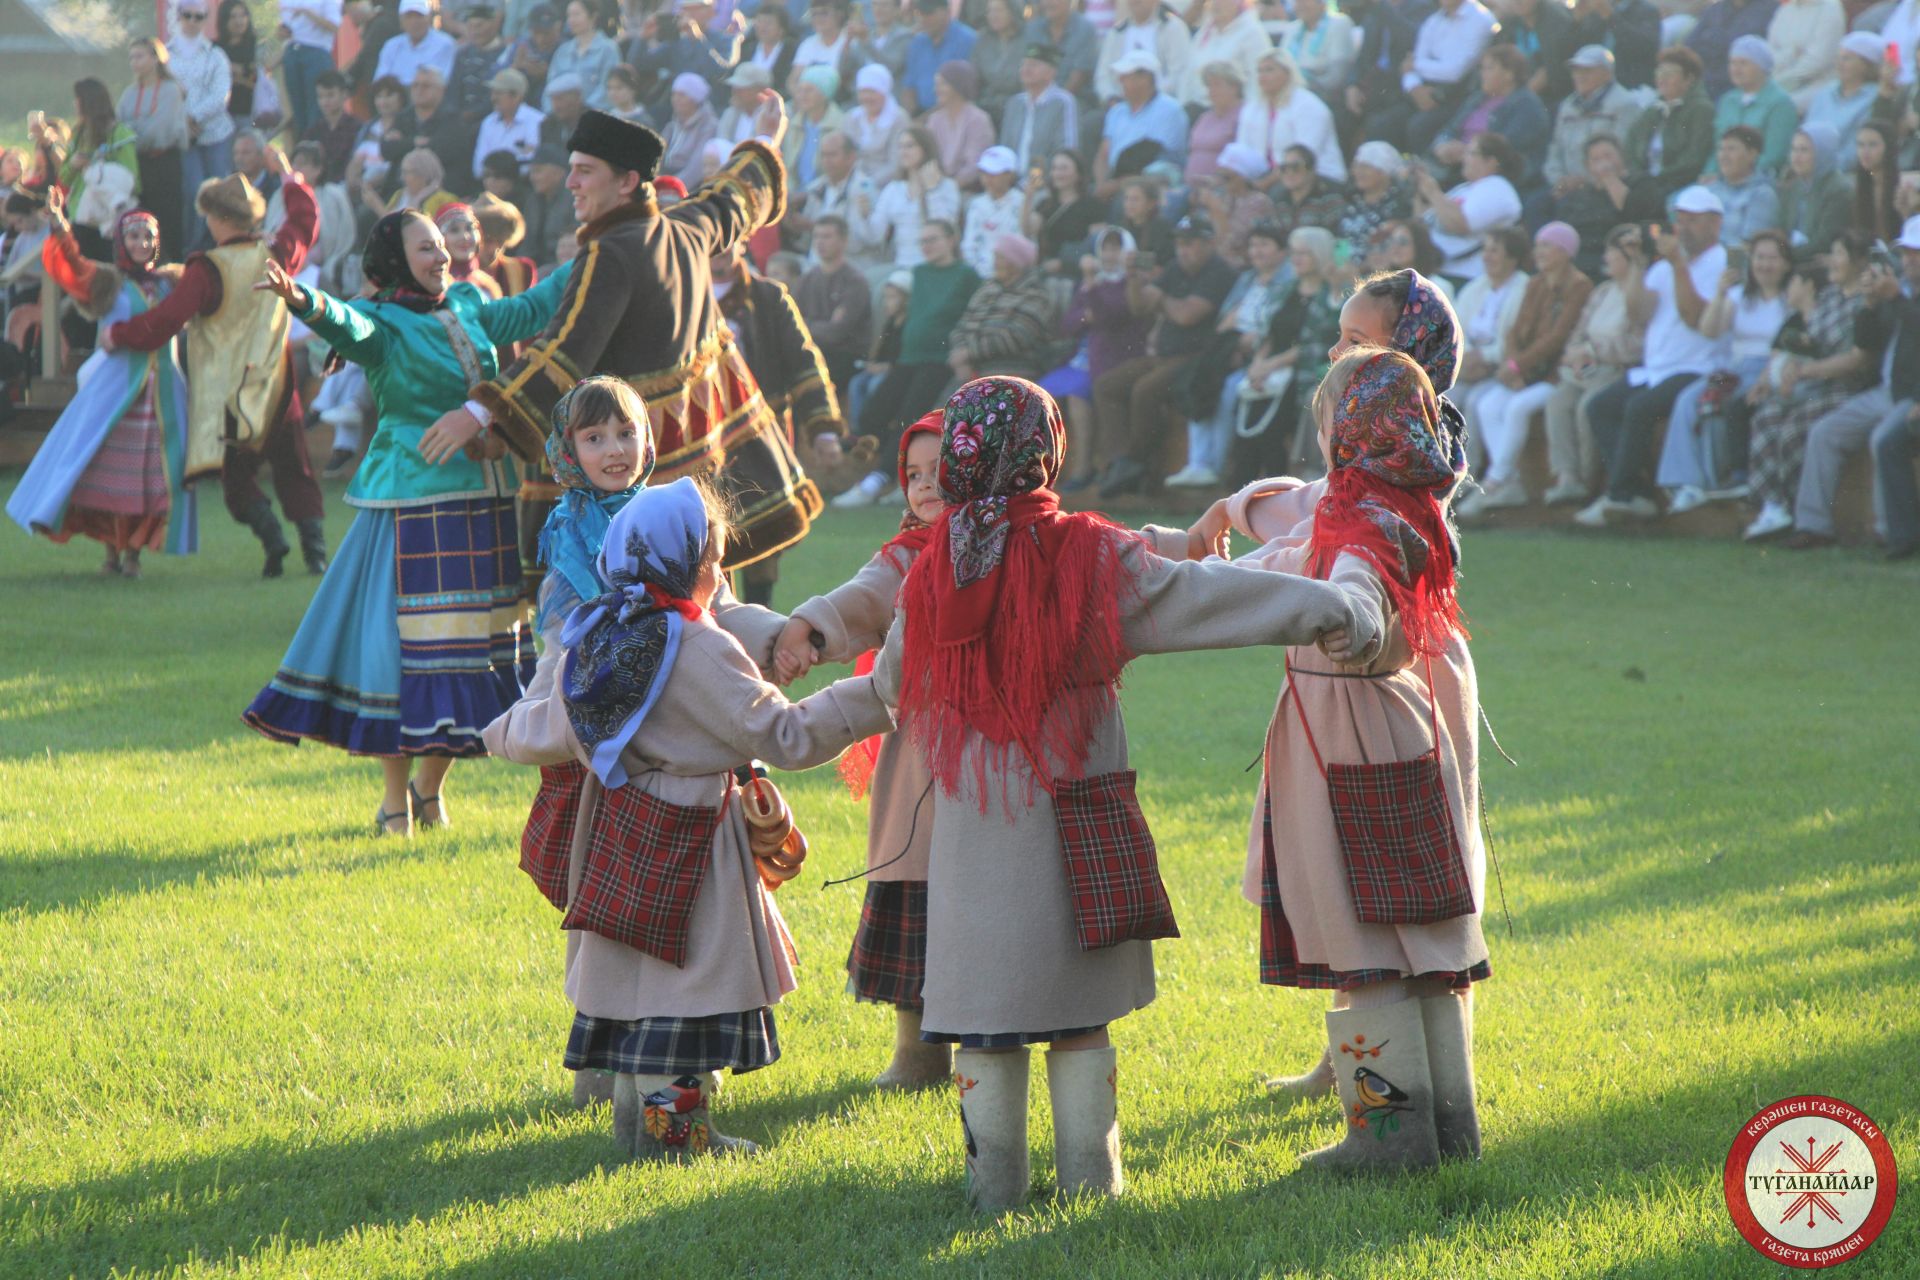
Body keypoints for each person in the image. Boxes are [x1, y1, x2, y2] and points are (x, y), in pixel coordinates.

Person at [869, 374, 1361, 1210]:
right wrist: (1332, 605)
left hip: (974, 833)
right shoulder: (1092, 553)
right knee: (1078, 1015)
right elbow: (1208, 596)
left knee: (985, 1025)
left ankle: (993, 1191)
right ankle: (1095, 1187)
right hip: (1077, 816)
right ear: (1044, 450)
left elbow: (889, 682)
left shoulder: (931, 572)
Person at [484, 474, 894, 1158]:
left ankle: (631, 1122)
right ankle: (676, 1140)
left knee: (635, 980)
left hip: (618, 827)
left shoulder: (599, 629)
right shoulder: (697, 646)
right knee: (683, 988)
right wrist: (875, 695)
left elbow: (551, 727)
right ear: (700, 565)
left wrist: (498, 730)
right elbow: (784, 736)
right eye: (716, 558)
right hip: (693, 835)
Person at [1234, 346, 1485, 1174]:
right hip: (1388, 721)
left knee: (1366, 930)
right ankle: (1449, 1127)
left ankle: (1387, 1141)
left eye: (1330, 417)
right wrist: (1191, 575)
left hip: (1348, 722)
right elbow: (1294, 568)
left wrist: (1345, 616)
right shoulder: (1388, 500)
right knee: (1418, 936)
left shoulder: (1366, 516)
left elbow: (1355, 592)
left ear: (1354, 426)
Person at [243, 208, 575, 828]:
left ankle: (429, 789)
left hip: (485, 498)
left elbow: (533, 309)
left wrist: (598, 254)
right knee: (407, 654)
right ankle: (393, 802)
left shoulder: (472, 301)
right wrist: (304, 300)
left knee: (475, 654)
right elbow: (345, 325)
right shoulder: (384, 321)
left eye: (441, 244)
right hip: (414, 500)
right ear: (398, 261)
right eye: (425, 248)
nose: (441, 255)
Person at [442, 106, 821, 577]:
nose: (571, 183)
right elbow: (734, 198)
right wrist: (764, 141)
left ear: (626, 182)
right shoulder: (684, 227)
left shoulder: (611, 251)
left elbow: (563, 353)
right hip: (698, 464)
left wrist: (480, 412)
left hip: (635, 475)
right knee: (704, 597)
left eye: (584, 172)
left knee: (633, 612)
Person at [770, 414, 952, 1088]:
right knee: (914, 880)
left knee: (987, 893)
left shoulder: (1013, 547)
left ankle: (990, 1043)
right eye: (913, 475)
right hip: (920, 750)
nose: (925, 485)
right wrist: (808, 629)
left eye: (942, 471)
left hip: (1001, 750)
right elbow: (861, 599)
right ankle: (917, 1051)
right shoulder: (905, 556)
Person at [105, 157, 325, 577]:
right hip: (279, 386)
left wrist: (118, 334)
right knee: (296, 469)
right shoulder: (275, 252)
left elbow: (167, 319)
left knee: (237, 480)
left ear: (218, 218)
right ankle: (315, 554)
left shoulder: (206, 269)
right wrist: (292, 179)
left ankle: (272, 537)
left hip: (230, 397)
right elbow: (303, 221)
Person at [7, 197, 195, 574]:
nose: (141, 244)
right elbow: (72, 268)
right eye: (134, 237)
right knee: (109, 473)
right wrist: (61, 229)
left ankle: (134, 555)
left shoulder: (173, 284)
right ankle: (111, 552)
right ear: (121, 242)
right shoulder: (108, 282)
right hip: (115, 395)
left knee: (151, 477)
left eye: (147, 237)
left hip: (161, 395)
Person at [1575, 185, 1729, 526]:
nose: (1684, 227)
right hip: (1658, 368)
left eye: (1693, 220)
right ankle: (1637, 493)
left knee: (1638, 408)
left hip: (1698, 366)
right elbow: (1639, 312)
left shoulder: (1721, 262)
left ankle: (1621, 496)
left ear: (1715, 224)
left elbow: (1694, 318)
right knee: (1600, 406)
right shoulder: (1664, 265)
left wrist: (1676, 264)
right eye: (1680, 220)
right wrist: (1638, 263)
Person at [1782, 216, 1920, 553]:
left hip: (1912, 395)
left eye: (1915, 254)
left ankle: (1890, 532)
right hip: (1887, 391)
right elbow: (1868, 342)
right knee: (1824, 433)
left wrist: (1894, 299)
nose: (1907, 261)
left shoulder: (1902, 296)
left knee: (1881, 438)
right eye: (1905, 254)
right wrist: (1870, 305)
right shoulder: (1901, 291)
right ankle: (1814, 526)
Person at [1092, 213, 1238, 495]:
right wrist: (1134, 279)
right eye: (1180, 243)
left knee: (1145, 391)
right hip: (1162, 356)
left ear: (1208, 243)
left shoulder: (1219, 272)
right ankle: (1119, 463)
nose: (1183, 249)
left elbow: (1186, 315)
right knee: (1107, 385)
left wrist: (1161, 297)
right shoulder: (1175, 268)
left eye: (1190, 243)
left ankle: (1136, 462)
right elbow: (1139, 307)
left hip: (1197, 358)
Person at [1457, 221, 1594, 515]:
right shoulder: (1536, 283)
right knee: (1487, 405)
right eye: (1539, 245)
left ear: (1566, 251)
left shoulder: (1580, 286)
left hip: (1552, 374)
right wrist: (1513, 365)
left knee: (1517, 408)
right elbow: (1515, 332)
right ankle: (1511, 483)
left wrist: (1518, 365)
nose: (1540, 251)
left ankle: (1494, 483)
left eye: (1548, 245)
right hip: (1523, 373)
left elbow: (1557, 337)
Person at [1742, 232, 1871, 542]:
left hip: (1845, 389)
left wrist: (1804, 372)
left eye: (1838, 253)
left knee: (1792, 429)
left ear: (1857, 261)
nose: (1831, 261)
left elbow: (1856, 362)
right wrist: (1781, 374)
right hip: (1812, 385)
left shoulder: (1864, 303)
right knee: (1766, 418)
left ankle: (1790, 506)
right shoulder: (1828, 297)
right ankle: (1771, 505)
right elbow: (1798, 345)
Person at [840, 219, 979, 505]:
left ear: (952, 240)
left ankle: (877, 481)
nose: (927, 245)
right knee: (874, 410)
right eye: (923, 240)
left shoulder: (967, 276)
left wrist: (965, 352)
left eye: (934, 239)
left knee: (909, 416)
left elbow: (974, 317)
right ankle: (896, 476)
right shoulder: (917, 273)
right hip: (908, 357)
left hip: (939, 359)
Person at [1539, 223, 1648, 505]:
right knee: (1558, 403)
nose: (1607, 257)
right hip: (1583, 368)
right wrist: (1577, 351)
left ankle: (1587, 480)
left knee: (1588, 407)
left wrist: (1593, 351)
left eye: (1615, 252)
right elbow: (1579, 331)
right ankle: (1567, 477)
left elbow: (1636, 345)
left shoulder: (1642, 294)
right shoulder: (1602, 291)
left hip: (1616, 369)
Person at [1041, 225, 1151, 488]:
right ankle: (1043, 468)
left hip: (1113, 359)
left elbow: (1112, 316)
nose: (1110, 254)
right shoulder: (1092, 281)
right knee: (1041, 395)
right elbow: (1069, 323)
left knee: (1078, 395)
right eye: (1106, 248)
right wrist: (1087, 311)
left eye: (1116, 248)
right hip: (1081, 357)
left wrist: (1091, 295)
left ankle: (1083, 468)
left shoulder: (1132, 281)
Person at [1446, 226, 1532, 453]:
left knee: (1476, 403)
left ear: (1512, 257)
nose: (1486, 256)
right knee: (1443, 396)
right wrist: (1465, 356)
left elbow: (1516, 338)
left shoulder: (1524, 288)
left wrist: (1484, 356)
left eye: (1494, 251)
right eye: (1485, 250)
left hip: (1499, 367)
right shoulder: (1475, 287)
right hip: (1468, 365)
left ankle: (1469, 473)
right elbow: (1456, 328)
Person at [1429, 45, 1549, 188]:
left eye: (1489, 68)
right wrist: (1441, 146)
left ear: (1509, 74)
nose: (1482, 74)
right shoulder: (1477, 98)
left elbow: (1504, 147)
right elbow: (1449, 129)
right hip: (1455, 166)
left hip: (1494, 178)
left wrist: (1466, 152)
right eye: (1482, 68)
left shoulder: (1527, 105)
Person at [946, 233, 1059, 382]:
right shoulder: (987, 289)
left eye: (1001, 258)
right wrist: (961, 356)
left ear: (1016, 263)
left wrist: (969, 353)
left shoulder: (1036, 295)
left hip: (1011, 372)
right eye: (996, 257)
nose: (995, 263)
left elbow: (1017, 336)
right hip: (970, 368)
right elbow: (962, 325)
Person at [168, 3, 235, 251]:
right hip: (183, 137)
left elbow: (221, 94)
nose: (193, 21)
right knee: (194, 193)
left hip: (215, 134)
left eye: (199, 17)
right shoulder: (166, 55)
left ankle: (220, 245)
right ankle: (193, 250)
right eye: (187, 15)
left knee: (218, 193)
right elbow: (165, 94)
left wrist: (194, 117)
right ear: (178, 16)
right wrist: (183, 121)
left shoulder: (216, 55)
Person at [1412, 131, 1522, 279]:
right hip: (1436, 271)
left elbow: (1460, 225)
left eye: (1470, 153)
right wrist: (1420, 190)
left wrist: (1433, 192)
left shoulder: (1498, 188)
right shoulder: (1465, 188)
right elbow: (1424, 221)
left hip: (1463, 276)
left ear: (1491, 161)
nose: (1464, 158)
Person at [1542, 46, 1646, 196]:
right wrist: (1558, 180)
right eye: (1576, 70)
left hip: (1604, 188)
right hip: (1564, 189)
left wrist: (1587, 181)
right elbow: (1555, 149)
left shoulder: (1625, 104)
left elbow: (1623, 153)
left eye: (1587, 70)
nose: (1579, 76)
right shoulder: (1567, 106)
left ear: (1607, 73)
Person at [853, 128, 962, 269]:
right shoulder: (893, 189)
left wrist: (932, 192)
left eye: (910, 146)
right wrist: (865, 216)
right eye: (900, 147)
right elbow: (875, 236)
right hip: (901, 265)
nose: (903, 152)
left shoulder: (947, 186)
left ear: (925, 148)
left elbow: (946, 229)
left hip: (934, 266)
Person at [121, 41, 190, 263]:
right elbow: (119, 126)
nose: (134, 62)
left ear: (155, 58)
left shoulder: (170, 90)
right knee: (141, 216)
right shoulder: (130, 93)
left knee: (167, 220)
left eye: (139, 56)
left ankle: (171, 269)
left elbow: (159, 129)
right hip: (138, 164)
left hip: (165, 162)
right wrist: (137, 131)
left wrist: (135, 129)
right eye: (131, 58)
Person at [1397, 0, 1496, 153]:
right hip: (1423, 92)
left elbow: (1454, 72)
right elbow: (1411, 63)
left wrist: (1415, 65)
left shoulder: (1481, 19)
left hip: (1459, 96)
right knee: (1384, 123)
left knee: (1420, 127)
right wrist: (1414, 88)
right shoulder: (1434, 20)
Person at [1235, 47, 1341, 186]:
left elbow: (1303, 157)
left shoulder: (1308, 105)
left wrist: (1264, 184)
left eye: (1269, 70)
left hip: (1314, 176)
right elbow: (1242, 150)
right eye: (1259, 71)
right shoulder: (1253, 108)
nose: (1262, 76)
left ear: (1287, 72)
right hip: (1266, 176)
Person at [1624, 46, 1715, 203]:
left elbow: (1693, 160)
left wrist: (1657, 179)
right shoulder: (1653, 110)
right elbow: (1630, 146)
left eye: (1670, 73)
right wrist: (1639, 178)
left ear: (1689, 79)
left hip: (1678, 185)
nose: (1662, 78)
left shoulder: (1701, 110)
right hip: (1646, 184)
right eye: (1659, 72)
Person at [797, 214, 873, 395]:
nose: (820, 242)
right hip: (813, 349)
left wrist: (806, 324)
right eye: (817, 236)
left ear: (843, 241)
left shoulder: (854, 281)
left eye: (827, 236)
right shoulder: (807, 279)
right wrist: (818, 326)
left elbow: (837, 332)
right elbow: (791, 322)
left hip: (845, 355)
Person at [1703, 35, 1796, 179]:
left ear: (1762, 67)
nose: (1736, 69)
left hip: (1757, 180)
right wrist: (1709, 173)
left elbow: (1774, 156)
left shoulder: (1780, 103)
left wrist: (1731, 175)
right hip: (1722, 178)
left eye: (1743, 63)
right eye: (1732, 63)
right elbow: (1717, 147)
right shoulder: (1727, 100)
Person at [1095, 51, 1189, 192]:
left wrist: (1115, 187)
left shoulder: (1170, 110)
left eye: (1125, 76)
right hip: (1114, 184)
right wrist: (1101, 185)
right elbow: (1103, 155)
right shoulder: (1116, 112)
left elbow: (1159, 162)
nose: (1120, 80)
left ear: (1145, 79)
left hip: (1153, 187)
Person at [999, 43, 1079, 175]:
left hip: (1047, 182)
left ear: (1051, 73)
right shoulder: (1014, 103)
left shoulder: (1062, 102)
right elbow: (1004, 149)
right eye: (1023, 65)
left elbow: (1067, 150)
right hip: (1011, 182)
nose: (1026, 69)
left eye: (1033, 65)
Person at [1178, 0, 1273, 110]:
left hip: (1234, 113)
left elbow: (1258, 82)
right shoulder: (1205, 32)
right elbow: (1188, 72)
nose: (1216, 4)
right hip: (1199, 110)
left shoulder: (1253, 33)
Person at [1195, 143, 1277, 269]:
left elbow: (1233, 241)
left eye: (1226, 178)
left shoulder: (1257, 202)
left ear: (1243, 178)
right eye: (1219, 175)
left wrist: (1216, 210)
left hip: (1239, 265)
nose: (1221, 181)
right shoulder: (1225, 198)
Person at [1023, 148, 1103, 275]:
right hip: (1045, 272)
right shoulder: (1046, 204)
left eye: (1064, 168)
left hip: (1076, 273)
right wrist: (1028, 198)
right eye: (1055, 168)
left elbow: (1097, 245)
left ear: (1079, 173)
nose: (1058, 173)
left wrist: (1065, 265)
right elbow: (1028, 230)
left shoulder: (1092, 205)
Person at [1097, 0, 1193, 107]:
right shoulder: (1117, 32)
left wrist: (1148, 99)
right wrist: (1111, 98)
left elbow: (1179, 74)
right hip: (1120, 105)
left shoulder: (1173, 28)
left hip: (1161, 105)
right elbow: (1103, 75)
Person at [1776, 125, 1850, 259]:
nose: (1796, 156)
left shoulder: (1839, 189)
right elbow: (1782, 231)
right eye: (1794, 149)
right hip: (1789, 258)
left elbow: (1824, 243)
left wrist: (1783, 257)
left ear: (1823, 152)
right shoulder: (1793, 188)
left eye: (1804, 150)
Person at [1704, 125, 1782, 248]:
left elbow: (1749, 246)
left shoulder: (1762, 194)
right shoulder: (1710, 190)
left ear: (1752, 154)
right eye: (1721, 149)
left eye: (1731, 149)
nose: (1723, 156)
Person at [901, 0, 977, 115]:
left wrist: (925, 121)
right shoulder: (917, 42)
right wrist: (909, 118)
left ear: (946, 11)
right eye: (919, 14)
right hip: (919, 113)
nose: (923, 19)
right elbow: (909, 87)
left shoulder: (967, 40)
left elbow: (960, 92)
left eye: (929, 13)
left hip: (955, 113)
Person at [927, 62, 995, 190]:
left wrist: (949, 188)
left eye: (943, 84)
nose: (936, 90)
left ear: (958, 86)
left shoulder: (978, 119)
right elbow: (929, 159)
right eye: (936, 84)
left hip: (967, 189)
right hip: (936, 186)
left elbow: (974, 165)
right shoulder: (934, 120)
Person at [280, 0, 344, 136]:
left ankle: (316, 149)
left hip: (317, 51)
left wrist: (308, 13)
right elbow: (285, 27)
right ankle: (302, 148)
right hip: (292, 50)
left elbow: (334, 26)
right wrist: (282, 31)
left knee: (318, 109)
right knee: (297, 109)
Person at [959, 145, 1023, 278]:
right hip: (980, 276)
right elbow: (969, 244)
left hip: (1012, 274)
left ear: (1009, 175)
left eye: (994, 173)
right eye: (984, 173)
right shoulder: (976, 204)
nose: (987, 178)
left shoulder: (1022, 202)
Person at [1337, 141, 1413, 252]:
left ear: (1384, 172)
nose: (1358, 172)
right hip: (1347, 267)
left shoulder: (1399, 205)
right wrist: (1341, 263)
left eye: (1366, 167)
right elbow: (1341, 240)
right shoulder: (1352, 203)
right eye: (1356, 166)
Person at [1766, 0, 1841, 112]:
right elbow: (1769, 55)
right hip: (1777, 80)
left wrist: (1779, 84)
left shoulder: (1829, 9)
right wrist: (1791, 54)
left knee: (1774, 105)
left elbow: (1817, 62)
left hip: (1815, 85)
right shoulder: (1785, 10)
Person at [545, 0, 621, 109]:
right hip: (561, 119)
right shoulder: (562, 51)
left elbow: (607, 90)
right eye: (569, 15)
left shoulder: (608, 49)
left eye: (576, 14)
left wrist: (581, 113)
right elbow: (550, 87)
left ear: (593, 16)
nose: (571, 20)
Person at [473, 68, 548, 179]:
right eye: (492, 93)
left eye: (498, 93)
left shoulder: (537, 121)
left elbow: (532, 162)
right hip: (490, 183)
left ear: (517, 96)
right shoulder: (488, 122)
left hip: (523, 186)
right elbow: (479, 165)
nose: (493, 98)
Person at [1276, 0, 1354, 104]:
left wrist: (1305, 87)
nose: (1299, 5)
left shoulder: (1339, 23)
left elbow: (1336, 77)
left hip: (1322, 96)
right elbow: (1280, 64)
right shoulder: (1292, 29)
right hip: (1287, 93)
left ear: (1322, 3)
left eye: (1304, 1)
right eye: (1296, 2)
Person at [782, 66, 845, 190]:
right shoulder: (792, 123)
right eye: (800, 90)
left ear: (825, 93)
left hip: (824, 194)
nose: (802, 95)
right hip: (791, 193)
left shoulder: (841, 125)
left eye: (809, 90)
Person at [1187, 61, 1246, 186]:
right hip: (1192, 186)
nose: (1211, 91)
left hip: (1221, 188)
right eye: (1209, 86)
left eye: (1217, 85)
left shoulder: (1244, 115)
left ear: (1234, 86)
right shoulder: (1205, 117)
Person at [847, 64, 909, 182]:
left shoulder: (899, 118)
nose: (867, 97)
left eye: (872, 92)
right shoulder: (851, 118)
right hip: (853, 182)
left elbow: (897, 164)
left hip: (887, 184)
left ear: (884, 91)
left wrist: (868, 184)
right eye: (862, 92)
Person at [376, 0, 460, 86]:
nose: (414, 21)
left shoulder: (445, 45)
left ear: (429, 18)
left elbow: (443, 82)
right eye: (409, 16)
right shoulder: (391, 46)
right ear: (401, 20)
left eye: (419, 16)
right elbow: (380, 82)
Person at [972, 0, 1029, 121]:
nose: (993, 15)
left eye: (998, 10)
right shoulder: (982, 39)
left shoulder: (1028, 39)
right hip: (985, 107)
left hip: (1018, 108)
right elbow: (974, 75)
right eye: (990, 11)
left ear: (1013, 12)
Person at [660, 73, 720, 186]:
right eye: (674, 94)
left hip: (688, 187)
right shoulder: (672, 125)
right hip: (666, 181)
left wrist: (671, 188)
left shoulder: (708, 126)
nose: (676, 99)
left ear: (695, 99)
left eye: (682, 95)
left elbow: (696, 169)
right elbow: (659, 155)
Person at [303, 71, 363, 184]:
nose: (325, 102)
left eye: (330, 95)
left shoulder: (357, 128)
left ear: (344, 94)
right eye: (320, 96)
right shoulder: (313, 131)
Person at [214, 0, 261, 131]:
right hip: (220, 114)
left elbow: (258, 77)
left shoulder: (254, 45)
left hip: (249, 113)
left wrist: (232, 70)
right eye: (233, 16)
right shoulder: (215, 48)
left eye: (243, 16)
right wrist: (240, 71)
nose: (239, 21)